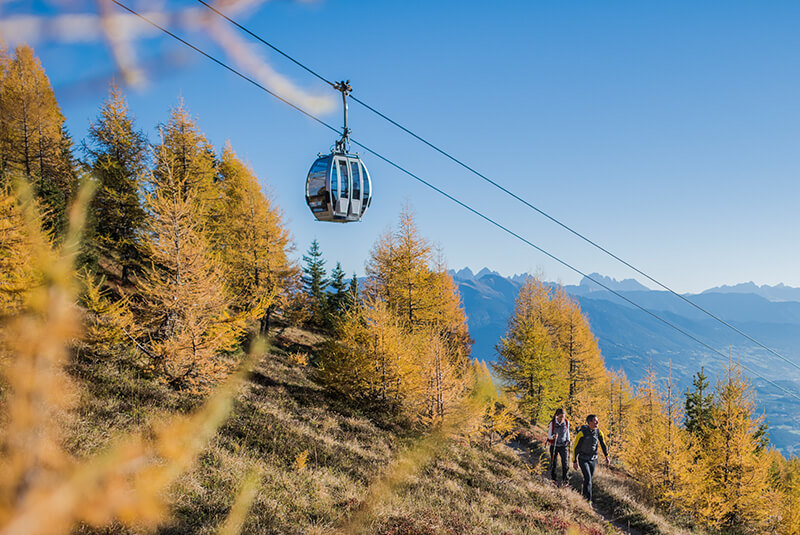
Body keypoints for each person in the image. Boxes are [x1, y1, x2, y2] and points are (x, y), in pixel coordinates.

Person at [571, 414, 609, 504]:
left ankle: (584, 497)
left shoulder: (599, 433)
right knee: (588, 478)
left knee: (588, 479)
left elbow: (603, 445)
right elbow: (576, 447)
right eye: (595, 421)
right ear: (589, 422)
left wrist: (607, 456)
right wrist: (574, 461)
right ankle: (589, 500)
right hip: (583, 459)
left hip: (593, 459)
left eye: (597, 420)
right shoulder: (582, 433)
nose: (597, 422)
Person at [547, 408, 570, 484]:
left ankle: (565, 481)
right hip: (554, 445)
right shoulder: (552, 423)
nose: (562, 418)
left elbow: (567, 433)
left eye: (563, 417)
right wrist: (553, 437)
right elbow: (549, 436)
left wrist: (568, 440)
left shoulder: (566, 422)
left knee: (565, 463)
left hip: (563, 446)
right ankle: (554, 480)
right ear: (557, 416)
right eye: (560, 417)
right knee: (554, 463)